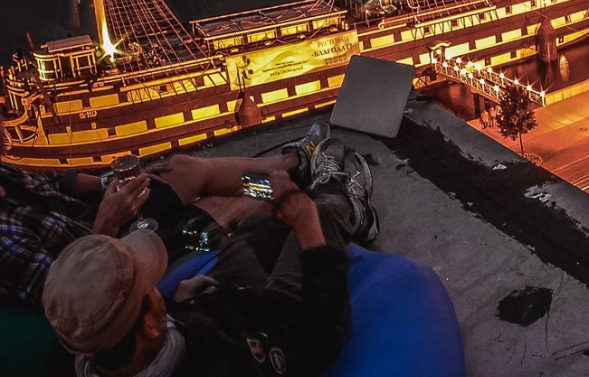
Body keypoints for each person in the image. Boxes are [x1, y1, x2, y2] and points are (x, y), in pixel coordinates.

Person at [42, 143, 375, 377]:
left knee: (257, 228)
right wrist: (306, 224)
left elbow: (100, 319)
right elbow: (317, 331)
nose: (157, 289)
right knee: (320, 212)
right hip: (269, 326)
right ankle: (345, 200)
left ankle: (299, 191)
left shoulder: (74, 365)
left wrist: (177, 305)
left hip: (209, 310)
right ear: (150, 325)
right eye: (149, 288)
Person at [0, 129, 356, 305]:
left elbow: (55, 180)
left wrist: (113, 181)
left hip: (101, 218)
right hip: (110, 256)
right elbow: (76, 299)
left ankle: (294, 165)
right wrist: (107, 225)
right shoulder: (6, 242)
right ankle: (304, 194)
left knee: (181, 168)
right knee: (228, 205)